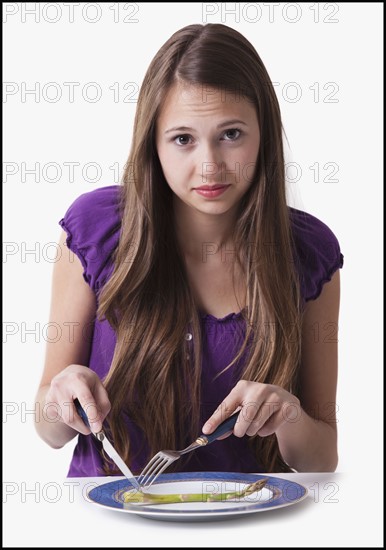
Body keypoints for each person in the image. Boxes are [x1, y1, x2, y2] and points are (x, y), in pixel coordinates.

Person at [34, 23, 343, 477]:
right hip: (111, 523)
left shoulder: (310, 251)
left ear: (265, 134)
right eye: (183, 139)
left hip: (251, 524)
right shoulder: (95, 230)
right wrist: (60, 398)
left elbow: (322, 459)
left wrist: (290, 415)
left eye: (231, 134)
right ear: (152, 144)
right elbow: (49, 429)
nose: (210, 165)